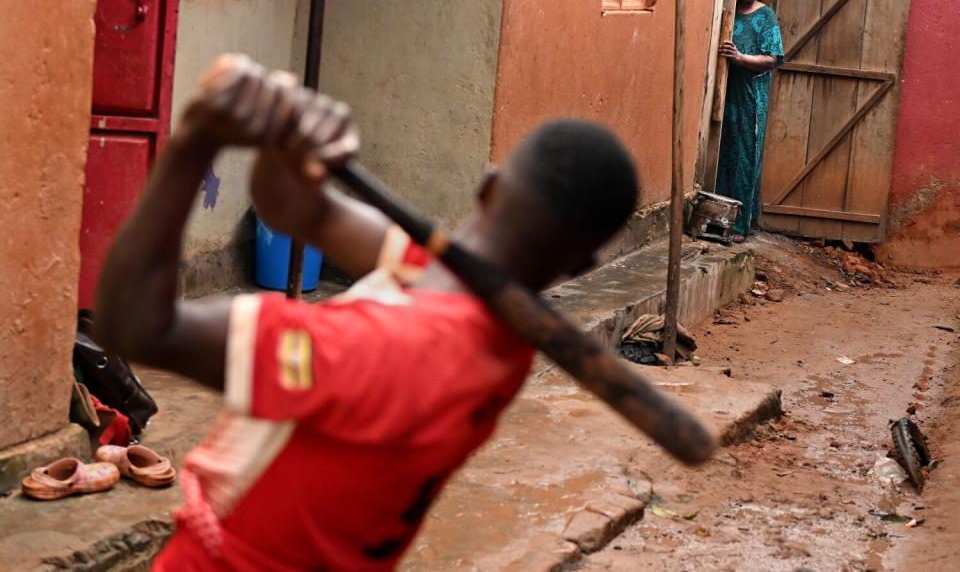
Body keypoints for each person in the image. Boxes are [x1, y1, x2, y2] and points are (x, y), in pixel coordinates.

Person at [93, 60, 640, 571]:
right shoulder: (494, 325)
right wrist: (288, 143)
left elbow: (138, 324)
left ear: (488, 185)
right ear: (583, 264)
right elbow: (297, 209)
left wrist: (194, 141)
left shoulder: (378, 346)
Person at [716, 0, 784, 242]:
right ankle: (717, 216)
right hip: (723, 91)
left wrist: (740, 58)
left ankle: (740, 225)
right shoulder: (727, 11)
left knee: (745, 156)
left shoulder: (765, 16)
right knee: (721, 153)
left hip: (750, 97)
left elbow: (773, 58)